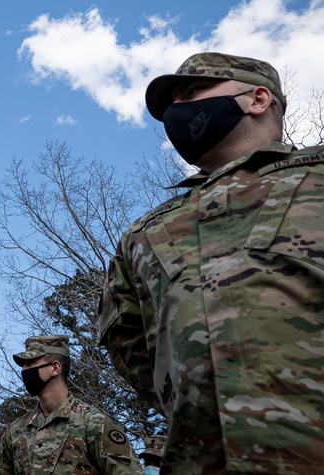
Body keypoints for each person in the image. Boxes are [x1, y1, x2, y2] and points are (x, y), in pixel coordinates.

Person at [98, 52, 324, 474]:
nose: (178, 114)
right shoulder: (142, 234)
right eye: (172, 107)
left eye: (194, 94)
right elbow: (134, 352)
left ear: (257, 99)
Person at [0, 335, 143, 475]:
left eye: (31, 362)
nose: (24, 369)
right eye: (24, 364)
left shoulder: (92, 424)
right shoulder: (16, 431)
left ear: (55, 368)